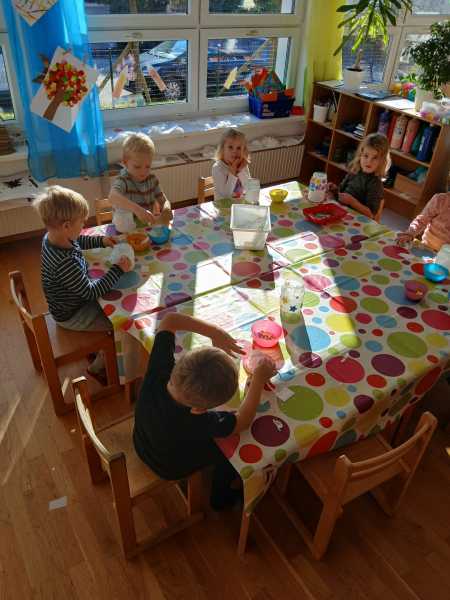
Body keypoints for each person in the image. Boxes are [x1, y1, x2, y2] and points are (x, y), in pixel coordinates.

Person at [133, 312, 276, 510]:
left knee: (217, 440)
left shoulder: (159, 370)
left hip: (142, 443)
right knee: (228, 448)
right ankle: (221, 498)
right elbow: (243, 421)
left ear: (179, 364)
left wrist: (214, 332)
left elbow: (169, 320)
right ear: (200, 409)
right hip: (168, 467)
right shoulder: (201, 421)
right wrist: (258, 380)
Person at [33, 185, 132, 381]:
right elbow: (90, 293)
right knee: (121, 323)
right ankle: (98, 368)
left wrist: (102, 241)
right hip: (73, 314)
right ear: (66, 226)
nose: (84, 224)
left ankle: (100, 352)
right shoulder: (65, 262)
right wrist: (118, 269)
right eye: (82, 221)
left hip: (68, 303)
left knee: (113, 302)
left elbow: (78, 241)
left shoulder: (54, 237)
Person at [109, 132, 173, 232]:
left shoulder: (152, 179)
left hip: (145, 227)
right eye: (137, 167)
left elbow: (164, 200)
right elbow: (112, 197)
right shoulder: (123, 180)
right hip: (125, 228)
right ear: (125, 163)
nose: (143, 172)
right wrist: (137, 210)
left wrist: (166, 209)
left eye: (148, 166)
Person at [327, 133, 389, 220]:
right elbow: (341, 191)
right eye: (366, 156)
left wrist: (352, 202)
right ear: (360, 155)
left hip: (357, 220)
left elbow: (371, 214)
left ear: (381, 161)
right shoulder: (354, 171)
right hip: (342, 213)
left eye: (375, 158)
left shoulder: (375, 184)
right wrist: (334, 190)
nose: (369, 161)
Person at [212, 128, 251, 200]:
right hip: (223, 205)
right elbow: (226, 196)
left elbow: (249, 188)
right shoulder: (218, 167)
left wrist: (240, 170)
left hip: (240, 203)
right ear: (223, 149)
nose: (234, 151)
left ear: (243, 150)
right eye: (230, 147)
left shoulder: (242, 165)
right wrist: (232, 174)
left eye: (239, 148)